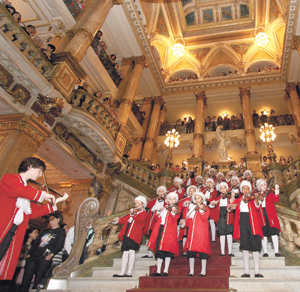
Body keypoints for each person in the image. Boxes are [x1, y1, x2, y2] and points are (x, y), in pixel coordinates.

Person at [0, 157, 67, 282]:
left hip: (13, 232)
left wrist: (54, 203)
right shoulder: (10, 179)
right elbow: (17, 190)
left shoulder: (26, 190)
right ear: (30, 167)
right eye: (40, 171)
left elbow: (33, 212)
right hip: (3, 227)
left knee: (4, 259)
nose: (40, 174)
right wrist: (43, 195)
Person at [19, 213, 66, 291]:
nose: (50, 222)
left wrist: (51, 254)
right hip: (33, 256)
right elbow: (36, 242)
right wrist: (29, 254)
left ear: (58, 219)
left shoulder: (61, 231)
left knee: (38, 279)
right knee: (26, 278)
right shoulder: (45, 230)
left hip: (45, 257)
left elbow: (60, 244)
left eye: (52, 220)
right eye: (49, 220)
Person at [229, 181, 264, 278]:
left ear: (250, 189)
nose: (245, 190)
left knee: (255, 246)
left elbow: (257, 207)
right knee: (245, 246)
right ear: (241, 190)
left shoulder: (252, 199)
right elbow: (229, 208)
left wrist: (256, 198)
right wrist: (232, 205)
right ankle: (246, 272)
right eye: (243, 188)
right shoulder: (239, 200)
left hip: (254, 224)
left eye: (247, 188)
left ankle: (257, 271)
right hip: (243, 224)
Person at [112, 196, 147, 277]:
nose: (136, 205)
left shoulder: (143, 213)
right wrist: (118, 220)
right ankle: (122, 271)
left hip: (134, 236)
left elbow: (139, 220)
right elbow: (125, 219)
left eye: (139, 203)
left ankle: (129, 272)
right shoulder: (134, 213)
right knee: (125, 253)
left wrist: (133, 214)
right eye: (136, 203)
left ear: (143, 204)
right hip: (127, 235)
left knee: (132, 252)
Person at [148, 192, 180, 277]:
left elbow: (175, 217)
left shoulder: (176, 208)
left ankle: (165, 270)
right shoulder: (165, 207)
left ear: (176, 200)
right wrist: (159, 210)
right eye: (170, 198)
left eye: (173, 199)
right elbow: (155, 218)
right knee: (159, 250)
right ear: (167, 200)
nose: (172, 200)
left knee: (168, 251)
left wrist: (173, 211)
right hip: (161, 229)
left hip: (169, 232)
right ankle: (158, 270)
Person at [180, 192, 210, 276]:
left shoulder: (205, 208)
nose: (197, 200)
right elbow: (189, 221)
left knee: (203, 252)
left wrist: (201, 209)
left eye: (199, 198)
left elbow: (204, 217)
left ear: (202, 199)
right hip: (192, 234)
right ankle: (191, 271)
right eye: (195, 198)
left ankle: (203, 271)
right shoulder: (192, 209)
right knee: (191, 252)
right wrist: (183, 222)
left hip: (202, 234)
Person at [256, 179, 281, 257]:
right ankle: (265, 252)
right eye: (261, 185)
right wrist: (258, 200)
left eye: (265, 185)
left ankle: (276, 251)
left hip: (270, 215)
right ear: (258, 187)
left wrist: (276, 190)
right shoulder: (257, 195)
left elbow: (276, 199)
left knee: (274, 232)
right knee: (264, 233)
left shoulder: (269, 194)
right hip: (262, 215)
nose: (264, 187)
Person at [209, 182, 235, 256]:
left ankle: (230, 252)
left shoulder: (229, 197)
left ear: (227, 188)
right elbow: (212, 204)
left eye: (224, 188)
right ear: (219, 190)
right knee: (222, 233)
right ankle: (222, 252)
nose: (223, 189)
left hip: (228, 215)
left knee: (229, 233)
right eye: (221, 188)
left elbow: (232, 204)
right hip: (220, 216)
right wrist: (213, 203)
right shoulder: (218, 198)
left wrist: (232, 196)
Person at [142, 186, 167, 258]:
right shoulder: (154, 201)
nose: (161, 192)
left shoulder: (166, 201)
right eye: (160, 191)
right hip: (152, 221)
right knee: (151, 237)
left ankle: (159, 252)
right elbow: (146, 205)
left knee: (159, 237)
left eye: (162, 191)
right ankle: (150, 254)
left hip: (160, 221)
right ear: (157, 193)